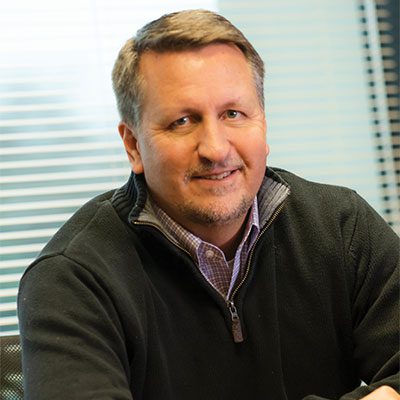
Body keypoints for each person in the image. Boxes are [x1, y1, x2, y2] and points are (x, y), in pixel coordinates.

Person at [18, 9, 399, 400]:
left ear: (263, 124)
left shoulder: (341, 228)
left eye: (233, 113)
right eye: (183, 121)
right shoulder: (73, 278)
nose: (216, 149)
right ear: (133, 145)